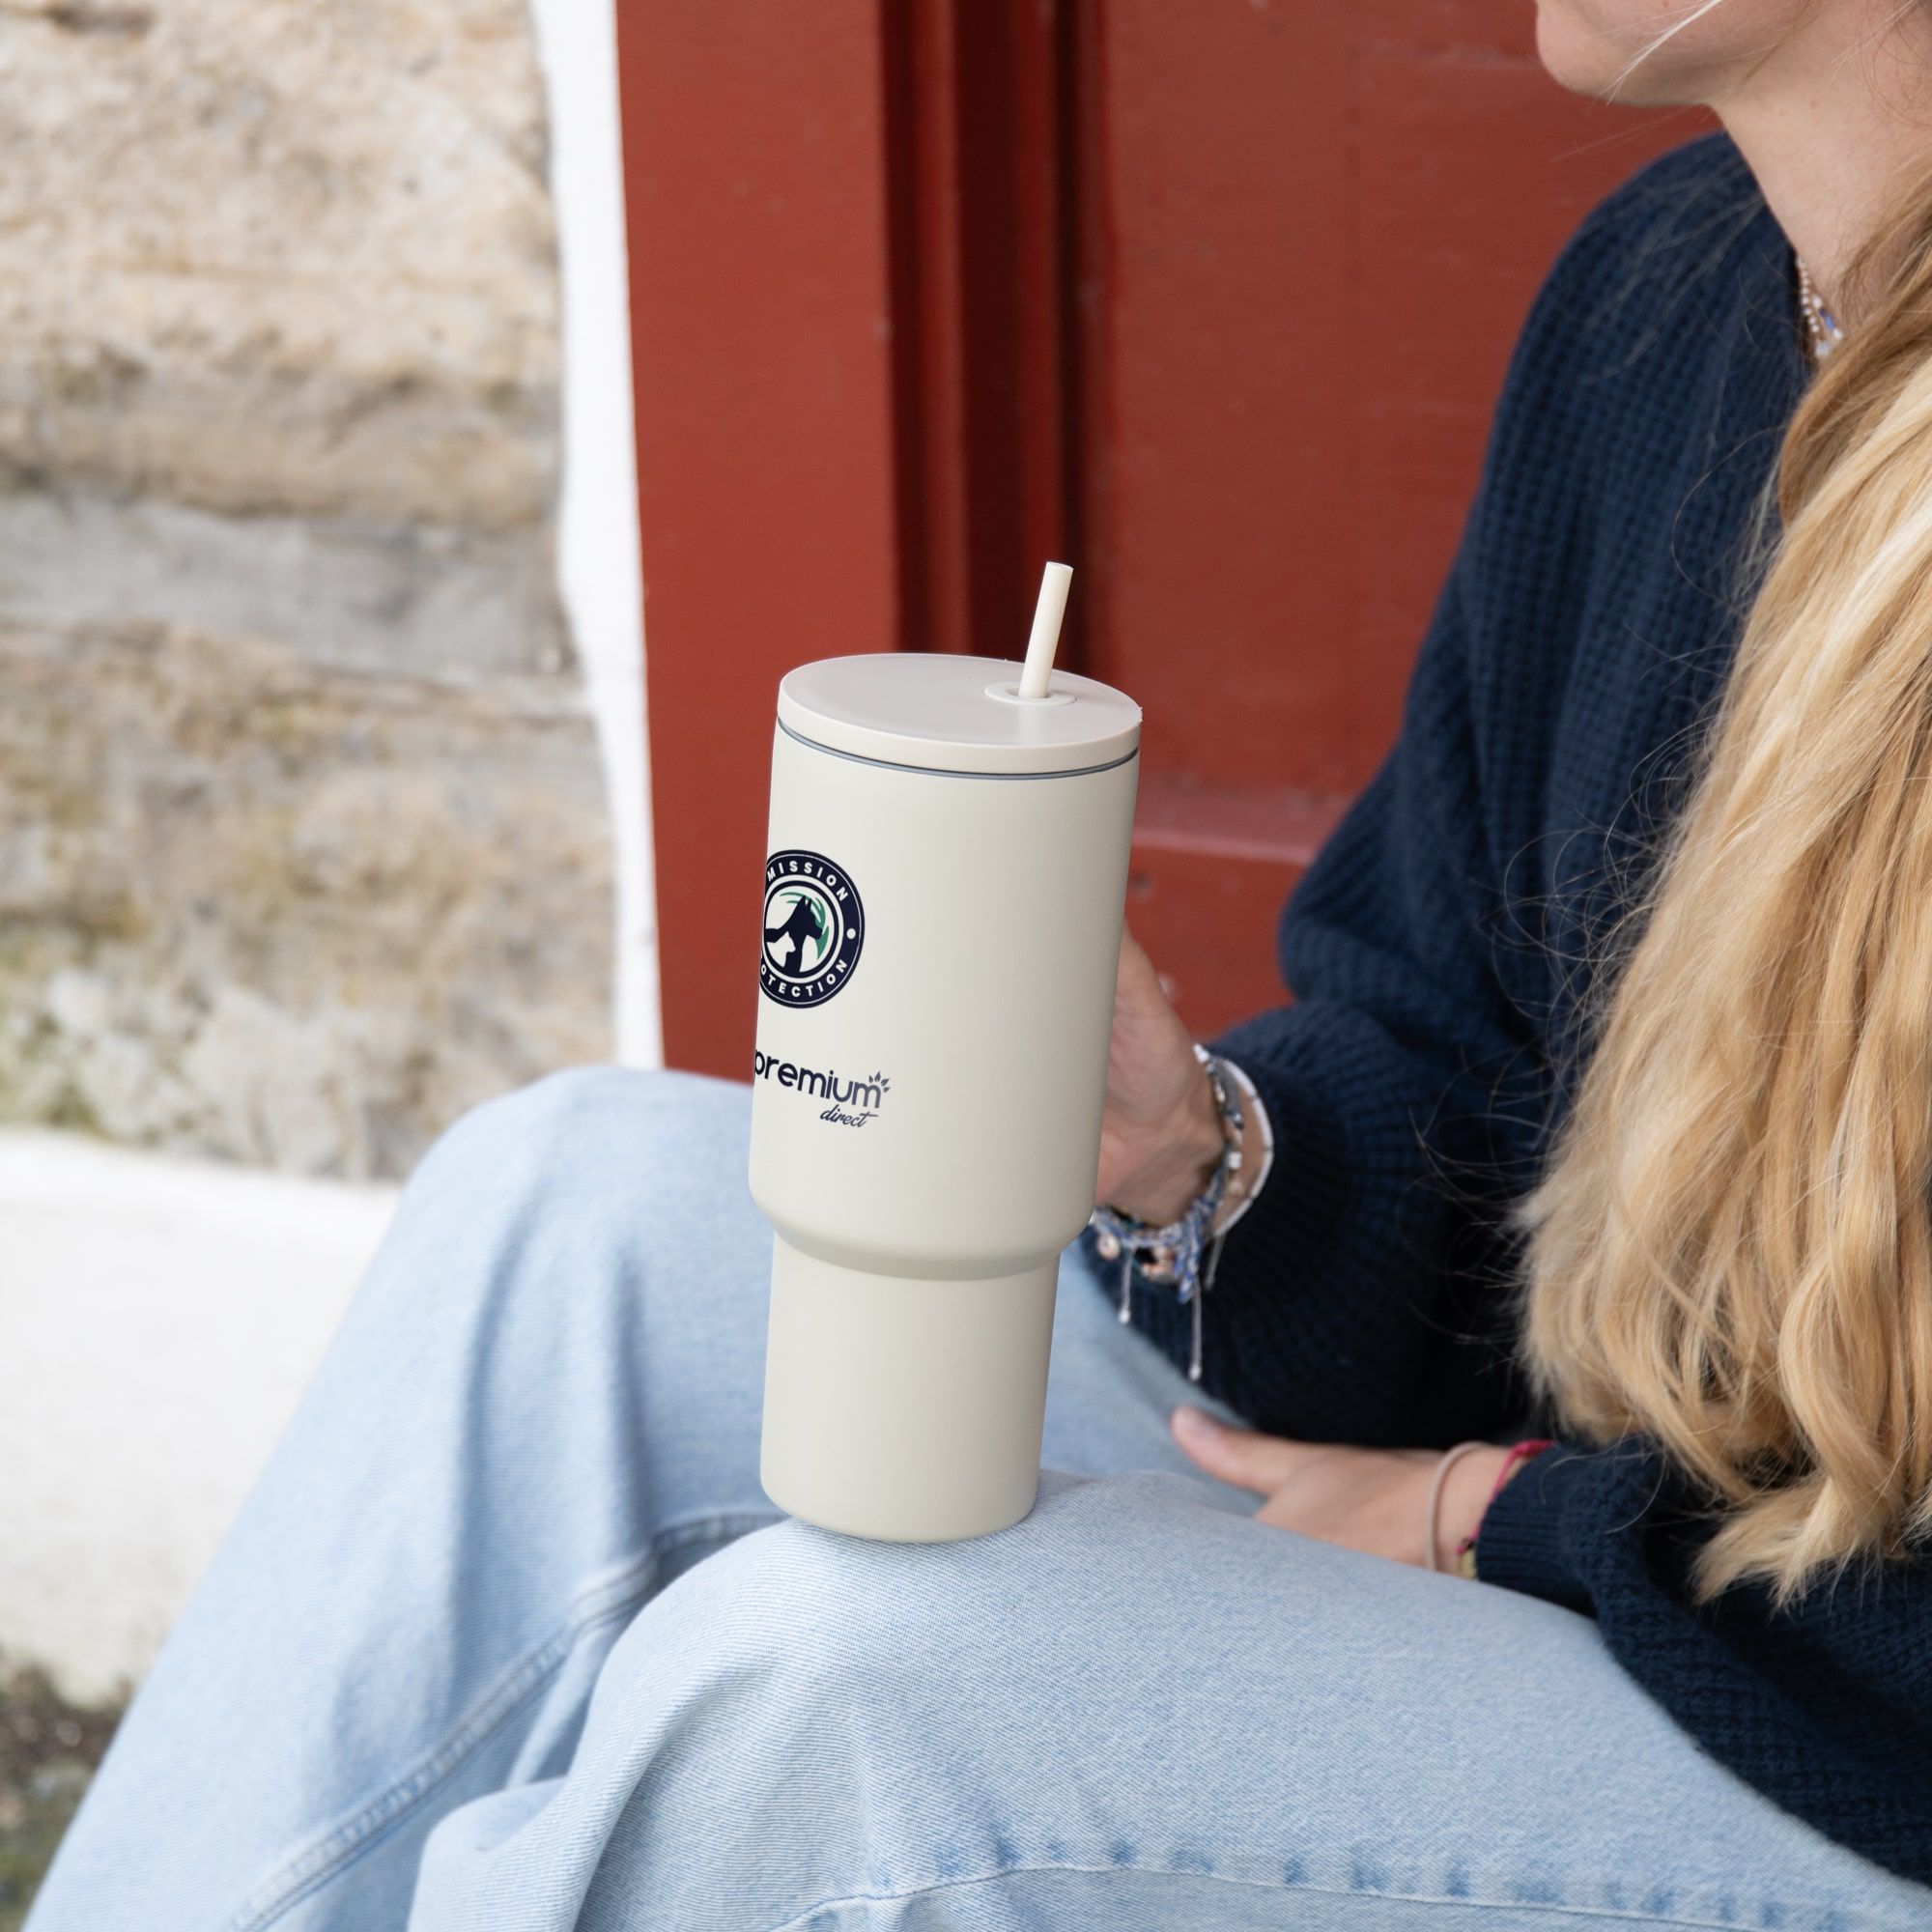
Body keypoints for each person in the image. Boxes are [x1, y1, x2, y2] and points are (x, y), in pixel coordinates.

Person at [30, 2, 1932, 1926]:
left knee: (834, 1700)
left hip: (1856, 1751)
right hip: (1619, 1553)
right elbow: (1460, 1093)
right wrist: (1200, 1157)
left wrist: (1495, 1520)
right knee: (571, 1207)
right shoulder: (1666, 296)